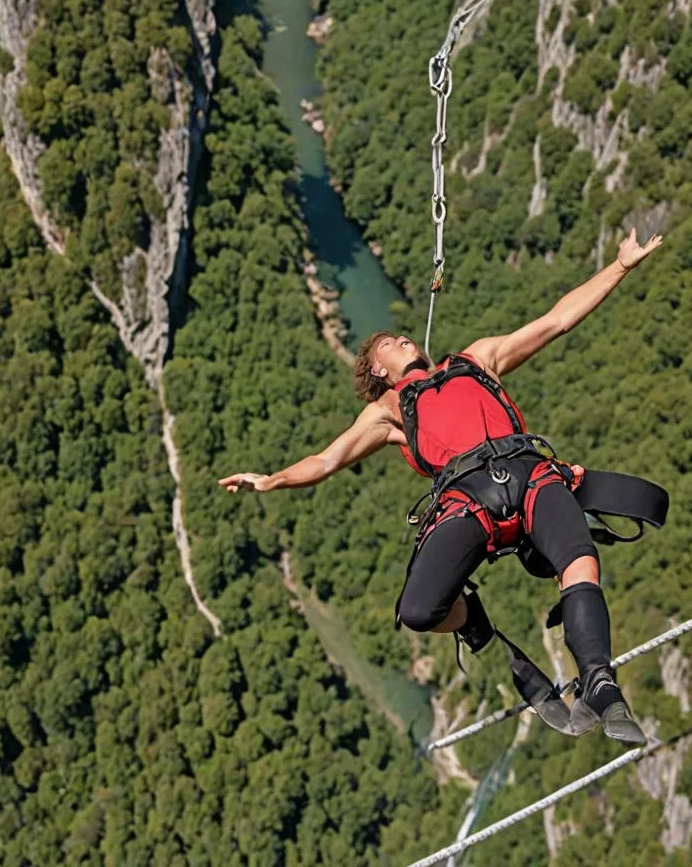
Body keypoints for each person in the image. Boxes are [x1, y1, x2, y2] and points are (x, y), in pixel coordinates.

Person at [219, 229, 664, 743]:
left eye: (398, 335)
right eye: (385, 346)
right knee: (417, 609)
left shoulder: (478, 359)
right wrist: (271, 480)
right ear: (378, 372)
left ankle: (599, 681)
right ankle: (474, 623)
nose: (398, 339)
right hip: (466, 502)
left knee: (580, 560)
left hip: (529, 473)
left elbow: (557, 320)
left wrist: (621, 266)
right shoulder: (388, 412)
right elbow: (326, 460)